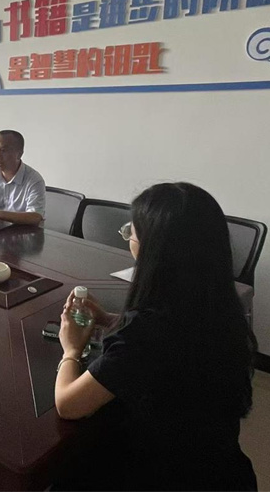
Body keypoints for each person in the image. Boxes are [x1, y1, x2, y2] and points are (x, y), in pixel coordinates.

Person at [54, 182, 257, 491]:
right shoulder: (219, 307)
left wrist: (70, 349)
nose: (128, 240)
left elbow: (68, 404)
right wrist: (112, 320)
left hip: (159, 476)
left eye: (130, 233)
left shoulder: (146, 334)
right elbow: (172, 343)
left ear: (155, 250)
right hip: (221, 470)